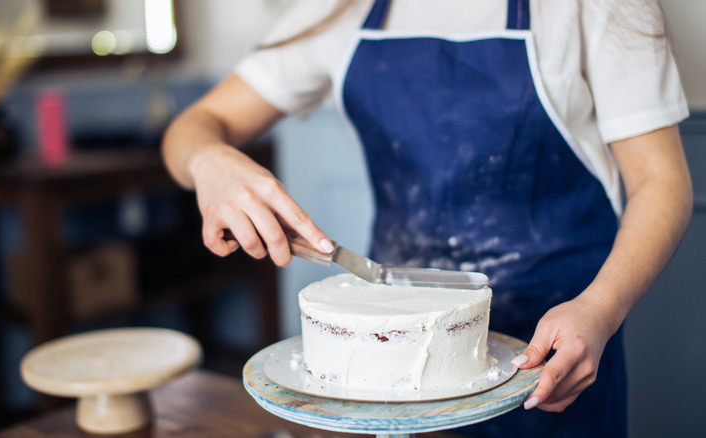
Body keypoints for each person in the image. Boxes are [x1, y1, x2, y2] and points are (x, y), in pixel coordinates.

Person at [162, 0, 693, 436]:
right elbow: (193, 127)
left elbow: (662, 182)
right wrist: (210, 162)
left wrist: (598, 310)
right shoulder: (336, 10)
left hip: (555, 355)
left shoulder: (597, 5)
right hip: (393, 370)